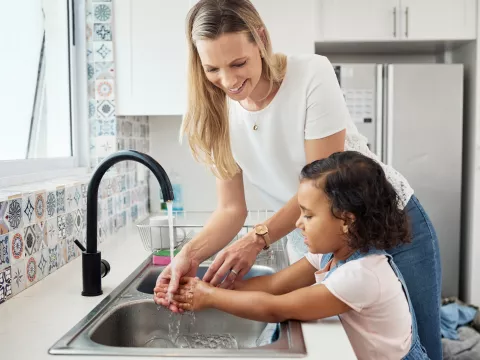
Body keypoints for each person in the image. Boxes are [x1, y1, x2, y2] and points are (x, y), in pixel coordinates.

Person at [155, 0, 442, 358]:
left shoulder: (311, 74)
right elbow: (230, 210)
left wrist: (257, 239)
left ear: (260, 39)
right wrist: (189, 257)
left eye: (239, 63)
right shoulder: (217, 113)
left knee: (422, 346)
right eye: (212, 68)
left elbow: (324, 190)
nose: (228, 81)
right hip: (324, 238)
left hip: (390, 221)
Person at [154, 151, 430, 360]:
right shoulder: (332, 254)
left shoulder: (362, 274)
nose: (298, 224)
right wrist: (203, 287)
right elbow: (274, 286)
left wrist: (209, 298)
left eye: (308, 215)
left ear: (346, 220)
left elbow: (277, 307)